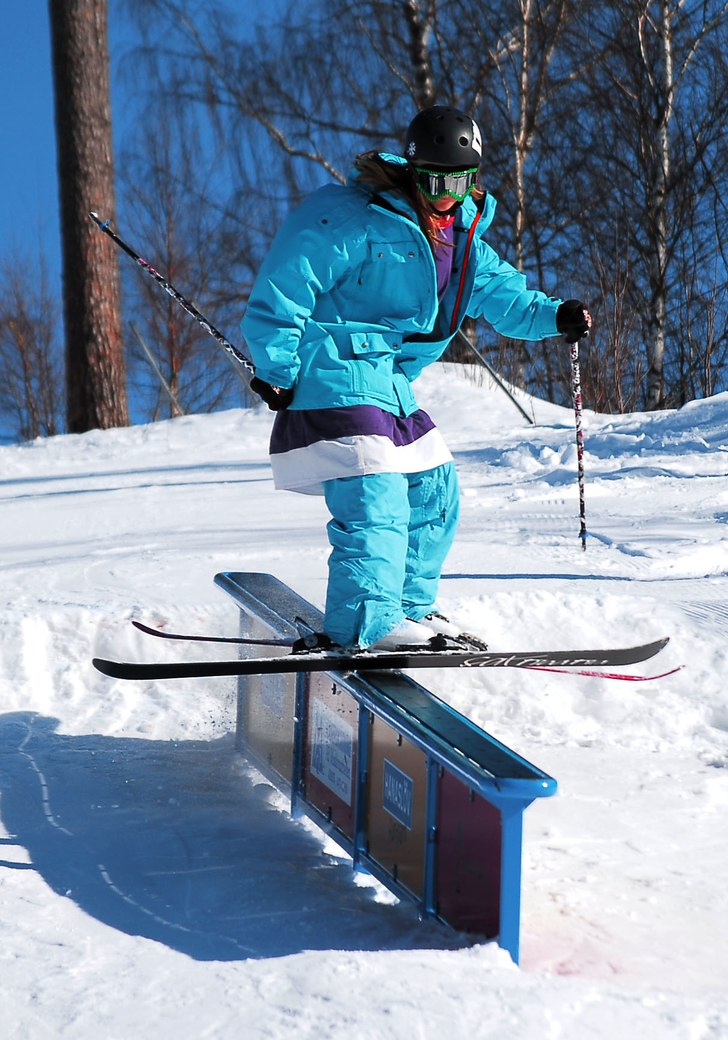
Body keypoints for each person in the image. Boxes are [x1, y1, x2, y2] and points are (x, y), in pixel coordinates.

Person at [242, 105, 591, 651]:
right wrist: (278, 367)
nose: (446, 193)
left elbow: (507, 297)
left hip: (388, 380)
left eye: (459, 180)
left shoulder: (465, 237)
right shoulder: (356, 213)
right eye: (434, 178)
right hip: (333, 366)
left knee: (434, 491)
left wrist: (554, 316)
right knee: (376, 492)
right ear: (412, 168)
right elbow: (288, 281)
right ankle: (367, 623)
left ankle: (408, 613)